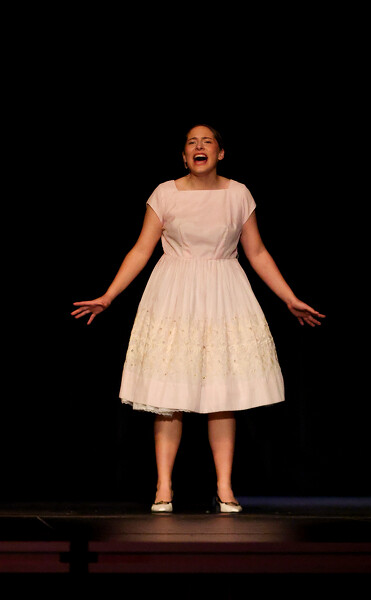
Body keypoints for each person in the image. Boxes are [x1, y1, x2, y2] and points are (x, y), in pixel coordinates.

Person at [71, 124, 325, 513]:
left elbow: (257, 252)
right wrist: (108, 296)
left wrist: (288, 297)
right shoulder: (165, 193)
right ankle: (164, 486)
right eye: (192, 142)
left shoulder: (238, 194)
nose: (199, 146)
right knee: (168, 392)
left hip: (224, 292)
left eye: (207, 141)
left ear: (220, 153)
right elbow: (141, 250)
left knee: (222, 392)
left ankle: (225, 488)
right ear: (184, 156)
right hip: (175, 293)